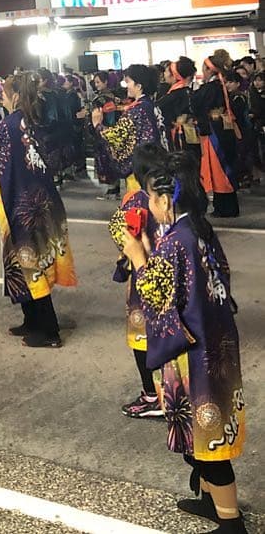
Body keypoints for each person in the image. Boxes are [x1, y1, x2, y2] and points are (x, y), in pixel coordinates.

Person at [121, 150, 247, 534]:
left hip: (194, 354)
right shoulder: (197, 229)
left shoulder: (176, 240)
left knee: (208, 445)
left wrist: (139, 259)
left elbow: (157, 297)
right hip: (215, 342)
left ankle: (231, 523)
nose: (149, 205)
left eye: (151, 198)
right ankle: (210, 500)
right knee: (203, 436)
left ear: (165, 200)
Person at [0, 73, 77, 348]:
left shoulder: (8, 126)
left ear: (16, 96)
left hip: (21, 206)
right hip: (41, 201)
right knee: (29, 264)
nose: (0, 96)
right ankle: (31, 320)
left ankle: (49, 330)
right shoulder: (32, 121)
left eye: (4, 92)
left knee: (30, 265)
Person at [108, 144, 165, 420]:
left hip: (146, 278)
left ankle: (152, 396)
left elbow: (121, 235)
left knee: (142, 336)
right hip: (174, 278)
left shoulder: (138, 200)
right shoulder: (177, 196)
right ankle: (174, 392)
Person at [92, 64, 168, 195]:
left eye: (128, 82)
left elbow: (117, 136)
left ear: (139, 86)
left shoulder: (137, 109)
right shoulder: (149, 105)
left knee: (136, 205)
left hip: (140, 166)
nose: (126, 85)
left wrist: (98, 125)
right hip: (154, 162)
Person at [191, 52, 240, 218]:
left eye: (204, 68)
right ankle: (224, 206)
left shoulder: (210, 88)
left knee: (220, 169)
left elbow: (196, 104)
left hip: (215, 133)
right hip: (221, 130)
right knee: (224, 168)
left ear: (210, 70)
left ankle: (226, 208)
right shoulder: (219, 86)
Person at [158, 57, 196, 152]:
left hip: (177, 138)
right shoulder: (187, 91)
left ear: (174, 76)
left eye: (166, 72)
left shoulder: (175, 95)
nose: (164, 75)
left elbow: (157, 108)